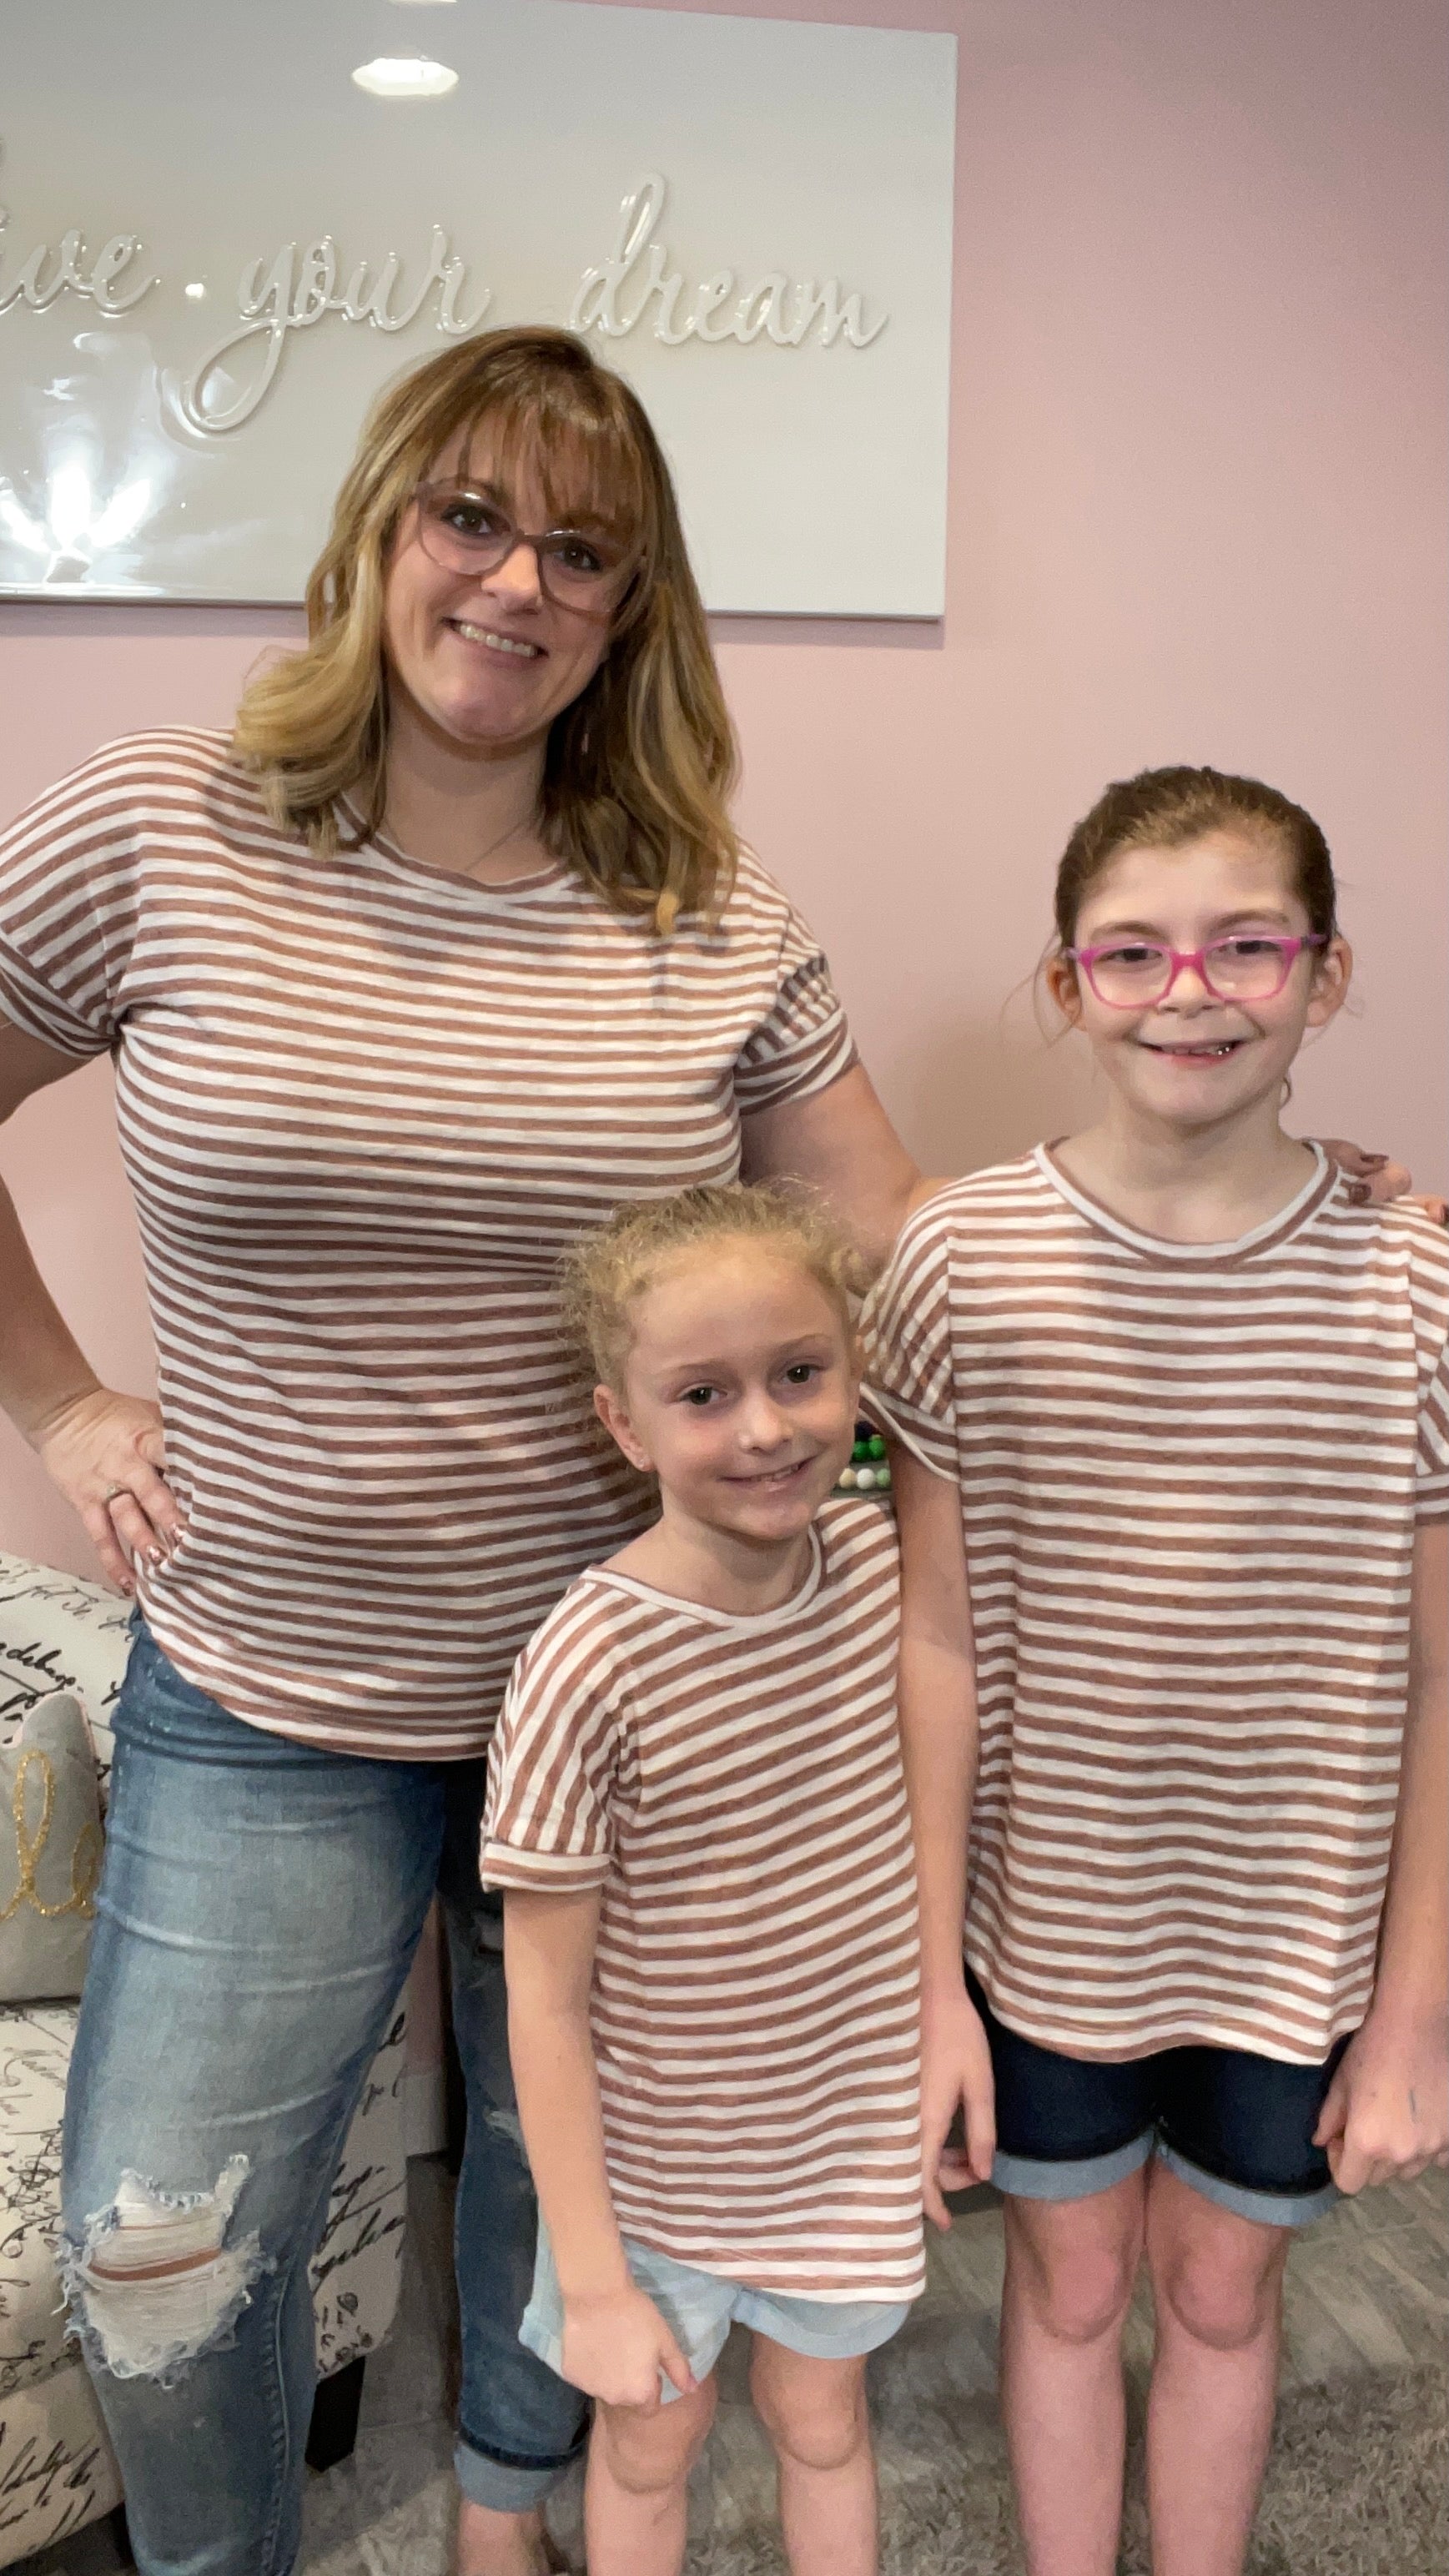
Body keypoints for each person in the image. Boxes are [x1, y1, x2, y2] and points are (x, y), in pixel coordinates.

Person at [0, 328, 926, 2576]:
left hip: (629, 1697)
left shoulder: (713, 915)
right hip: (269, 1692)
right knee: (153, 2242)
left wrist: (1231, 1210)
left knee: (562, 2187)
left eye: (581, 551)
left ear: (629, 612)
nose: (517, 582)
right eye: (473, 517)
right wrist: (62, 1397)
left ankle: (510, 2525)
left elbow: (901, 1252)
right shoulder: (159, 823)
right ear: (381, 534)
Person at [863, 766, 1449, 2576]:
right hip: (1047, 1925)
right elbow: (929, 1636)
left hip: (1297, 1938)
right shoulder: (957, 1258)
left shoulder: (1414, 1285)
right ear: (1066, 983)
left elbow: (1439, 1678)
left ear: (1323, 972)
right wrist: (928, 1986)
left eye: (1242, 945)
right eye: (1131, 952)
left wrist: (1412, 2013)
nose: (1186, 991)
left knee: (1216, 2290)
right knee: (1064, 2286)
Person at [481, 1183, 922, 2576]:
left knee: (823, 2422)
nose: (765, 1428)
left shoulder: (879, 1555)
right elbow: (542, 2004)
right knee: (650, 2443)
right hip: (655, 2175)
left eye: (799, 1373)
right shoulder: (587, 1664)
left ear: (853, 1371)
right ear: (624, 1425)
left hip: (842, 2143)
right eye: (701, 1394)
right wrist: (594, 2281)